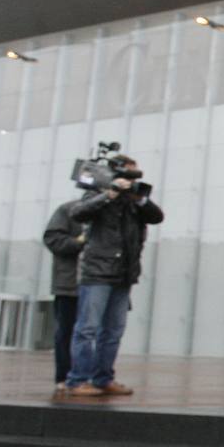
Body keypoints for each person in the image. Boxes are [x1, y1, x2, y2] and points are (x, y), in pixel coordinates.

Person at [62, 157, 163, 396]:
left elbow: (157, 216)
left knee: (113, 331)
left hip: (124, 274)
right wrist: (110, 194)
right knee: (87, 329)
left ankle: (103, 378)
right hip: (97, 273)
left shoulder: (133, 202)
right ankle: (77, 380)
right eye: (127, 175)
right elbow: (77, 213)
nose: (130, 180)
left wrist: (140, 198)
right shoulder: (99, 195)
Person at [43, 197, 87, 391]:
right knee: (66, 332)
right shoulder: (68, 209)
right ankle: (65, 376)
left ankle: (90, 376)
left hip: (102, 283)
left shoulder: (115, 212)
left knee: (97, 333)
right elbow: (52, 240)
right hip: (69, 284)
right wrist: (79, 241)